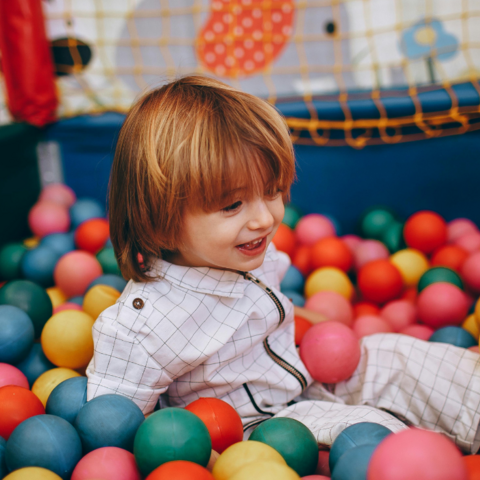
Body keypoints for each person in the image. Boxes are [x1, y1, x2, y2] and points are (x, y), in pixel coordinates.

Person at [86, 75, 480, 453]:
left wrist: (322, 329)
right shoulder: (142, 327)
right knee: (375, 435)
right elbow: (111, 425)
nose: (265, 218)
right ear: (160, 217)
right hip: (263, 433)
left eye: (272, 191)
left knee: (405, 357)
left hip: (306, 372)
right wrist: (201, 456)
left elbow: (267, 307)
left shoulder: (241, 250)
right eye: (232, 204)